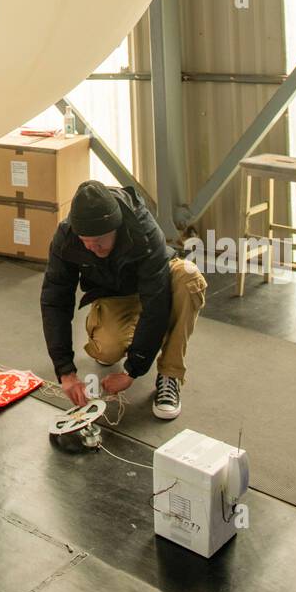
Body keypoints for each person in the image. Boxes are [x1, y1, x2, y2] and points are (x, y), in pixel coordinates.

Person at [40, 179, 206, 419]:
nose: (92, 249)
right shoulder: (66, 237)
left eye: (99, 242)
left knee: (188, 277)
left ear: (115, 229)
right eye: (86, 243)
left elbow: (156, 303)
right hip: (114, 295)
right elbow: (55, 300)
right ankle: (118, 331)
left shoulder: (143, 229)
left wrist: (131, 371)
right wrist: (65, 371)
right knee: (107, 351)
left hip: (155, 284)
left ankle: (170, 375)